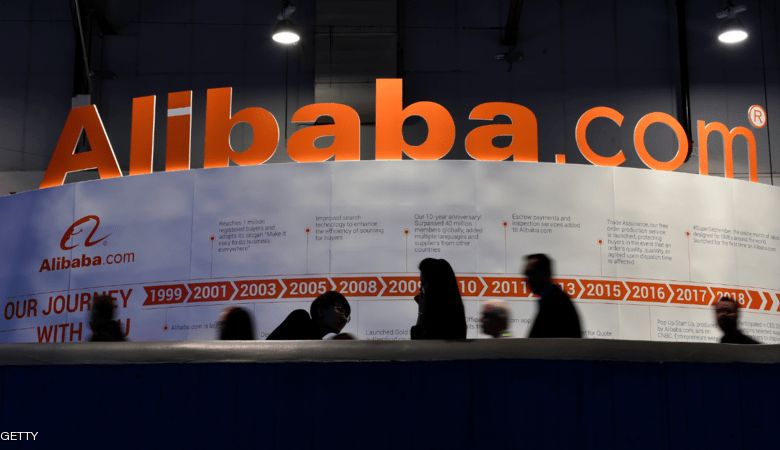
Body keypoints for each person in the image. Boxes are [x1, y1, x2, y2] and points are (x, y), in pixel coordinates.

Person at [525, 253, 582, 338]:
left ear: (545, 273)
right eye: (526, 275)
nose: (527, 280)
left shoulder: (556, 302)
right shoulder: (553, 298)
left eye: (531, 273)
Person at [410, 258, 467, 340]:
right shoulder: (456, 317)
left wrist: (421, 312)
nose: (420, 289)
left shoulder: (435, 326)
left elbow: (419, 344)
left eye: (423, 284)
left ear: (435, 287)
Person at [266, 291, 351, 340]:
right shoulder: (300, 317)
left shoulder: (319, 344)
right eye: (340, 310)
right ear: (321, 311)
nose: (344, 319)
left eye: (347, 316)